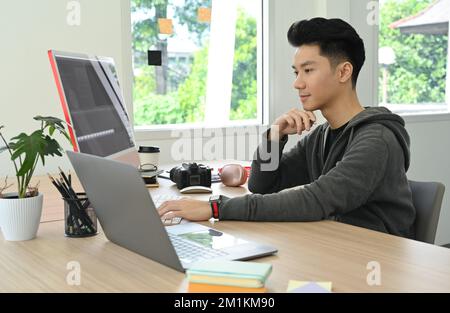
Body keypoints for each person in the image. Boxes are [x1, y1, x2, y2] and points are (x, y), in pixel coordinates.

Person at [158, 17, 416, 238]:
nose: (298, 83)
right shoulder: (323, 136)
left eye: (308, 70)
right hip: (333, 244)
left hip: (377, 259)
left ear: (344, 72)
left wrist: (216, 208)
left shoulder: (377, 139)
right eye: (296, 72)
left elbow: (316, 200)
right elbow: (263, 184)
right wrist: (274, 138)